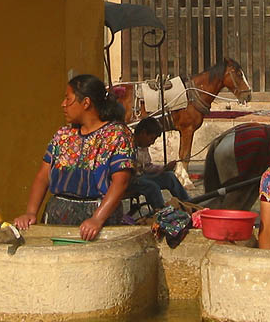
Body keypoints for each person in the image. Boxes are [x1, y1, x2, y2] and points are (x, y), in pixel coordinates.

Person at [13, 74, 135, 241]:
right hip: (58, 216)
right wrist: (30, 212)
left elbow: (121, 182)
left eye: (68, 99)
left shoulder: (117, 135)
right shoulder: (63, 135)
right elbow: (43, 177)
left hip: (97, 220)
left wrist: (97, 219)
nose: (63, 105)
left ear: (86, 102)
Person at [128, 116, 190, 210]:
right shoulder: (128, 145)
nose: (152, 143)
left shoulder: (143, 146)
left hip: (143, 176)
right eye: (151, 138)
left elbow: (147, 167)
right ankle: (161, 211)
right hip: (131, 179)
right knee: (152, 186)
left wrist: (164, 168)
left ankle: (188, 203)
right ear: (143, 133)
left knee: (170, 176)